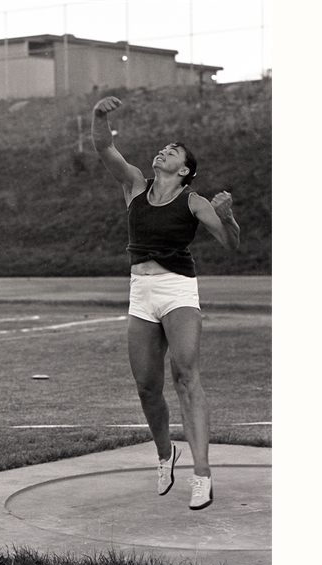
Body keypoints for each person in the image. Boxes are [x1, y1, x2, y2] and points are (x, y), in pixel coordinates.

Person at [91, 95, 240, 510]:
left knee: (186, 377)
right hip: (141, 292)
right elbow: (104, 147)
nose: (163, 151)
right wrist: (98, 116)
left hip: (177, 290)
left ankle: (202, 474)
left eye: (172, 151)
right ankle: (165, 453)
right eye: (163, 148)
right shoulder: (135, 185)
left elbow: (229, 243)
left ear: (184, 169)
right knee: (146, 386)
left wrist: (228, 217)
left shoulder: (194, 201)